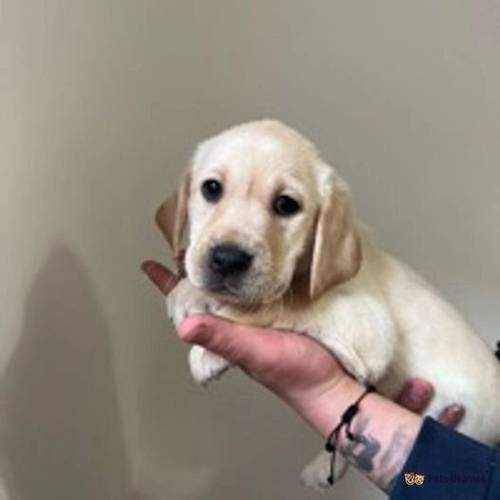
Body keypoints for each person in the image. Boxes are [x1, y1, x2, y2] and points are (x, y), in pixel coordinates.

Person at [141, 260, 500, 499]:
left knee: (431, 480)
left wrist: (322, 391)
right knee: (422, 480)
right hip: (451, 466)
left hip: (462, 470)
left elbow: (464, 483)